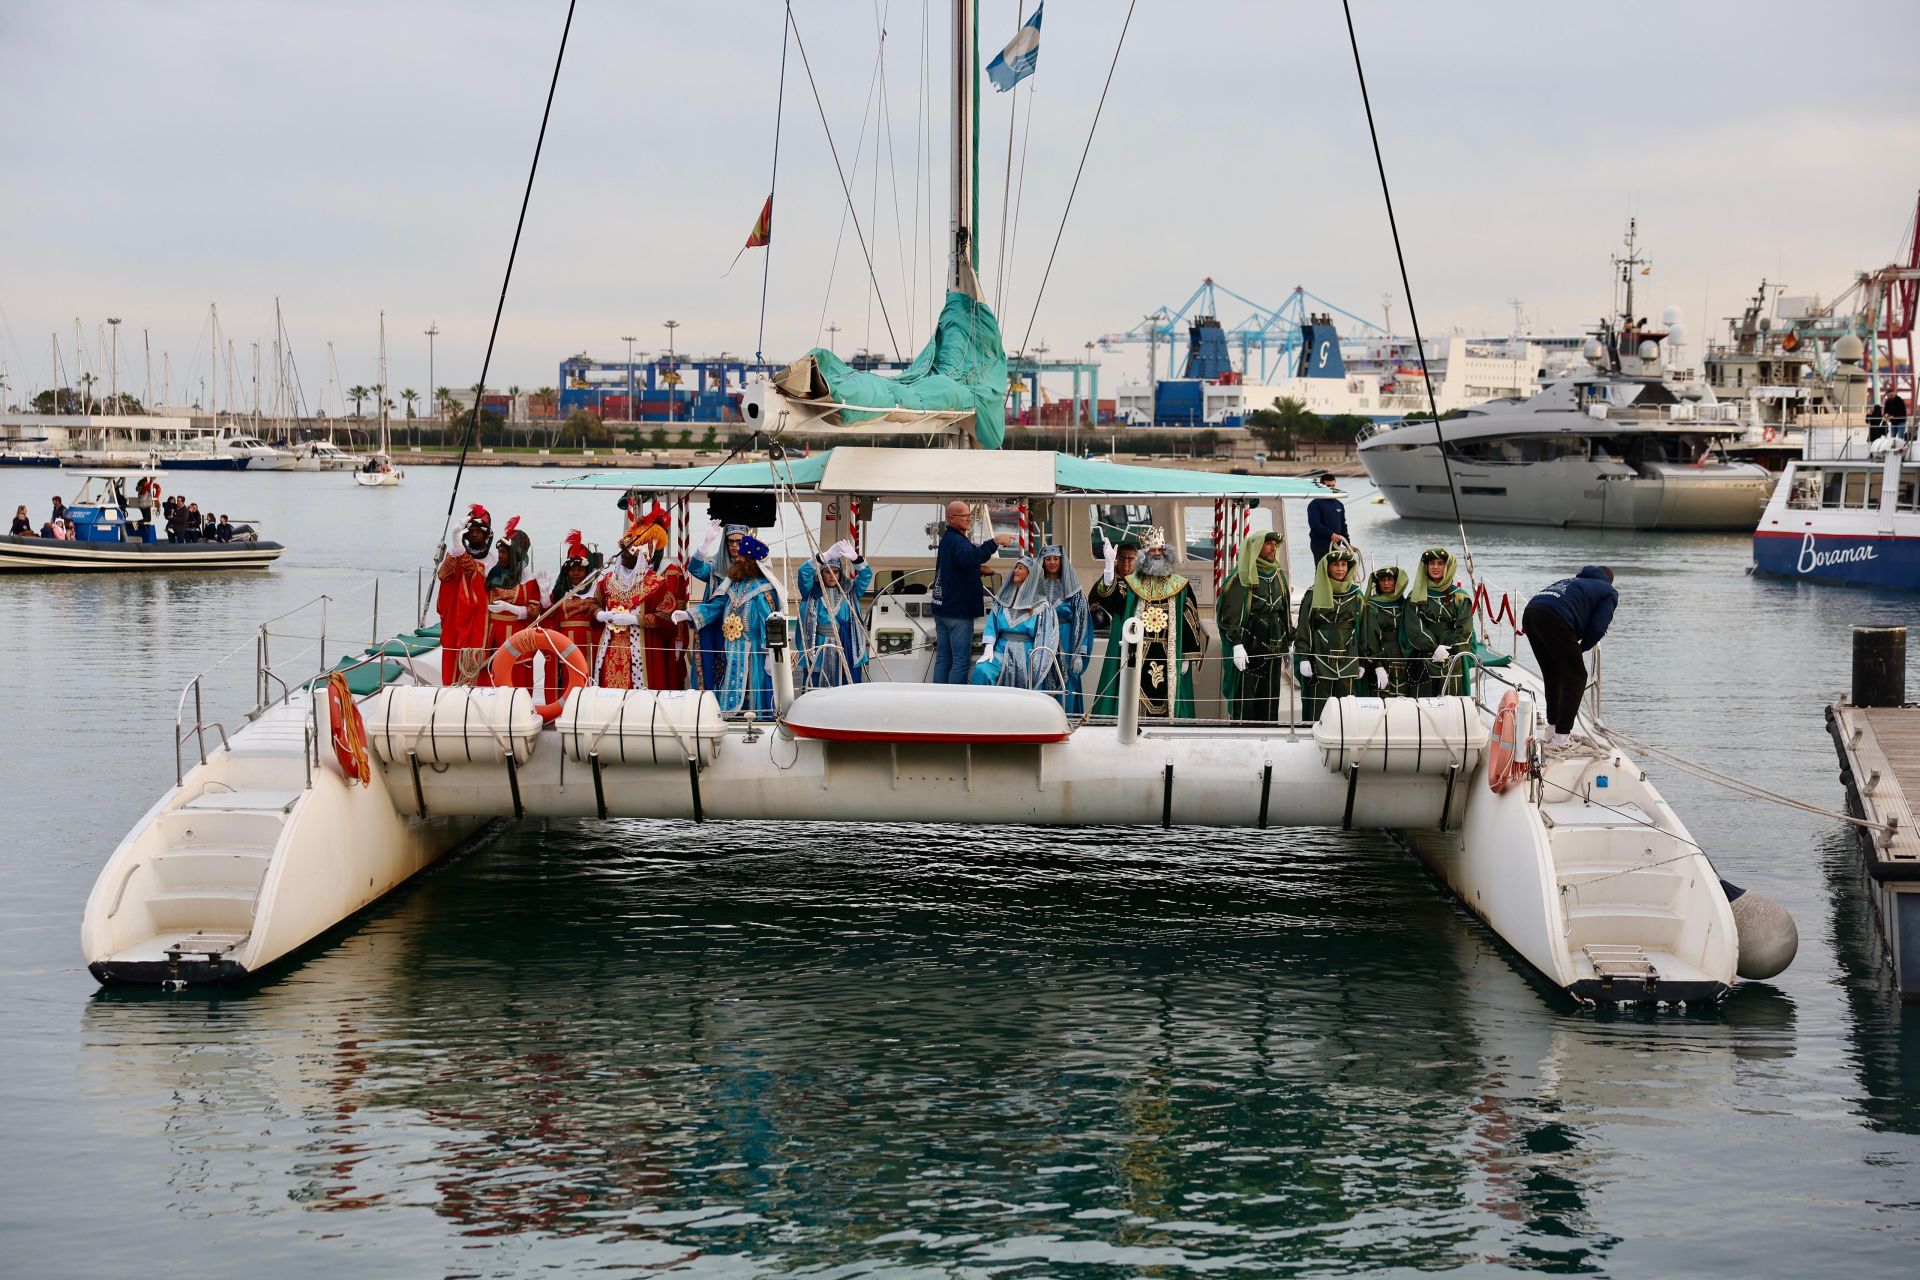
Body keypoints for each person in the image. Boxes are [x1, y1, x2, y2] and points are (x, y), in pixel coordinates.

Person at [1092, 526, 1204, 720]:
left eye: (1160, 549)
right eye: (1153, 550)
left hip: (1169, 652)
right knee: (1135, 695)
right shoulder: (1132, 584)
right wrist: (1109, 568)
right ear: (1144, 555)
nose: (1157, 553)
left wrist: (1186, 655)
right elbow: (1111, 601)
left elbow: (1190, 620)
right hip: (1137, 651)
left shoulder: (1180, 585)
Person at [673, 534, 780, 715]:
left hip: (752, 651)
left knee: (753, 689)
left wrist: (770, 655)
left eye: (742, 556)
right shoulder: (733, 585)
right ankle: (729, 719)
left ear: (752, 561)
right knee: (727, 687)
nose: (737, 558)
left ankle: (757, 720)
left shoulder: (764, 590)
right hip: (729, 650)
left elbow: (769, 622)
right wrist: (688, 614)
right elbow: (716, 606)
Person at [1523, 566, 1617, 745]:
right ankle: (1561, 736)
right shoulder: (1608, 591)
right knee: (1577, 677)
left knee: (1552, 673)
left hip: (1531, 613)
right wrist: (1583, 647)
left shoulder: (1573, 581)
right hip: (1555, 618)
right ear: (1609, 580)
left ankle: (1551, 729)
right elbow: (1598, 626)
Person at [930, 499, 1014, 684]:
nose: (969, 519)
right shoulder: (958, 541)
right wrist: (995, 541)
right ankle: (956, 703)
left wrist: (977, 569)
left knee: (943, 659)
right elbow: (968, 557)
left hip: (941, 609)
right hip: (958, 612)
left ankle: (938, 698)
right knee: (961, 661)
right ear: (952, 519)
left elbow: (956, 564)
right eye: (964, 516)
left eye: (969, 515)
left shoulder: (947, 540)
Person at [1218, 529, 1294, 723]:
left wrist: (1289, 642)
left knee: (1270, 697)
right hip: (1249, 644)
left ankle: (1268, 734)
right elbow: (1230, 614)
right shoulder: (1241, 576)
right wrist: (1236, 644)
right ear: (1256, 547)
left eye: (1275, 544)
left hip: (1274, 644)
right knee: (1246, 699)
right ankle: (1243, 735)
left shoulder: (1278, 575)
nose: (1273, 548)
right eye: (1268, 543)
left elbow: (1284, 609)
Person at [971, 556, 1062, 692]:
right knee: (982, 670)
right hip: (1001, 650)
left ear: (1030, 574)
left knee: (1031, 684)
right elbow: (991, 625)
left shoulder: (1043, 607)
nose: (1015, 570)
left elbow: (1046, 638)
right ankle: (985, 709)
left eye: (1021, 568)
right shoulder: (1002, 601)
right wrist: (989, 648)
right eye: (1016, 567)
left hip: (1028, 655)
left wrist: (1038, 663)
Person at [1294, 547, 1364, 721]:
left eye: (1343, 564)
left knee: (1346, 706)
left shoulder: (1357, 595)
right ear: (1327, 568)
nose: (1340, 569)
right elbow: (1304, 626)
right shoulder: (1313, 593)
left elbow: (1364, 628)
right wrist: (1303, 656)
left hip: (1348, 657)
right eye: (1335, 565)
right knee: (1318, 703)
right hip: (1319, 655)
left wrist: (1363, 660)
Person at [796, 539, 873, 688]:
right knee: (816, 684)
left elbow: (866, 575)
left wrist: (856, 559)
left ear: (840, 573)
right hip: (818, 646)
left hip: (846, 646)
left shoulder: (851, 590)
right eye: (827, 571)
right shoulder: (811, 591)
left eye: (835, 571)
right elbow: (803, 573)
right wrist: (822, 557)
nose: (832, 575)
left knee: (848, 684)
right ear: (821, 573)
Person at [688, 520, 753, 692]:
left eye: (739, 542)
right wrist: (706, 542)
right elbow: (694, 569)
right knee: (710, 667)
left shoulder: (752, 569)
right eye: (730, 542)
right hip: (713, 627)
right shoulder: (715, 567)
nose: (734, 545)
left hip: (739, 627)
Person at [434, 504, 496, 685]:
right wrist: (455, 548)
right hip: (455, 620)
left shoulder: (493, 559)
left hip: (480, 621)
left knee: (478, 666)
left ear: (487, 534)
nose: (474, 534)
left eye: (479, 530)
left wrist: (459, 549)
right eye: (471, 530)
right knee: (452, 662)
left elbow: (477, 576)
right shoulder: (455, 553)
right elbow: (443, 575)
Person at [481, 519, 541, 689]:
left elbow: (533, 611)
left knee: (515, 678)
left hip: (514, 636)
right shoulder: (491, 574)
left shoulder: (528, 580)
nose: (500, 555)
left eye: (504, 552)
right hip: (490, 636)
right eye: (499, 551)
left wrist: (508, 608)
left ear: (515, 554)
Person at [1406, 547, 1474, 696]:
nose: (1435, 567)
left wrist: (1448, 650)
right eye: (1431, 563)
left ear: (1447, 566)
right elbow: (1414, 626)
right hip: (1424, 655)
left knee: (1452, 703)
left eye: (1440, 563)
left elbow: (1464, 628)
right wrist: (1434, 647)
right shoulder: (1416, 595)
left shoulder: (1460, 596)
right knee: (1423, 703)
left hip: (1452, 658)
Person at [546, 532, 603, 703]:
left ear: (587, 570)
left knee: (588, 672)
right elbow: (547, 616)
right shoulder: (559, 593)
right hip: (564, 641)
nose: (576, 573)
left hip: (589, 642)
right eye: (572, 570)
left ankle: (587, 706)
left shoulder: (597, 589)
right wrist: (543, 596)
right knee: (564, 675)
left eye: (580, 570)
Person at [1036, 544, 1094, 712]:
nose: (1052, 562)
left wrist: (1079, 654)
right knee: (1042, 675)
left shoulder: (1074, 590)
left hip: (1067, 638)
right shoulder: (1035, 588)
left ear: (1062, 561)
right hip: (1042, 638)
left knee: (1067, 679)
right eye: (1048, 559)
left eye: (1056, 558)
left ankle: (1066, 719)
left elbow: (1083, 621)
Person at [593, 535, 651, 690]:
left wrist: (635, 619)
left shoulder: (655, 583)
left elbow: (665, 615)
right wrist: (600, 614)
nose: (622, 555)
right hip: (610, 649)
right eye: (622, 551)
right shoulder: (608, 580)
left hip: (639, 652)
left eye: (628, 551)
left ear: (640, 555)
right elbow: (594, 603)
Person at [1359, 565, 1413, 697]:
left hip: (1405, 657)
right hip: (1383, 657)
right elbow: (1371, 636)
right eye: (1383, 580)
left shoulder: (1406, 604)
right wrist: (1378, 664)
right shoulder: (1372, 606)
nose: (1386, 583)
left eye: (1390, 579)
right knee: (1382, 696)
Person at [1087, 538, 1139, 629]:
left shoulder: (1141, 582)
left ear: (1136, 560)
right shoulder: (1106, 579)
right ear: (1117, 558)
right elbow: (1094, 599)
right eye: (1122, 557)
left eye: (1130, 558)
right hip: (1109, 628)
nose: (1125, 561)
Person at [1305, 472, 1350, 565]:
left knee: (1334, 573)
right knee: (1322, 571)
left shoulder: (1339, 505)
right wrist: (1331, 535)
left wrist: (1348, 544)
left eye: (1333, 485)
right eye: (1328, 485)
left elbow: (1343, 526)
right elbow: (1315, 525)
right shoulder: (1315, 504)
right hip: (1320, 545)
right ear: (1322, 486)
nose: (1331, 488)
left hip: (1336, 546)